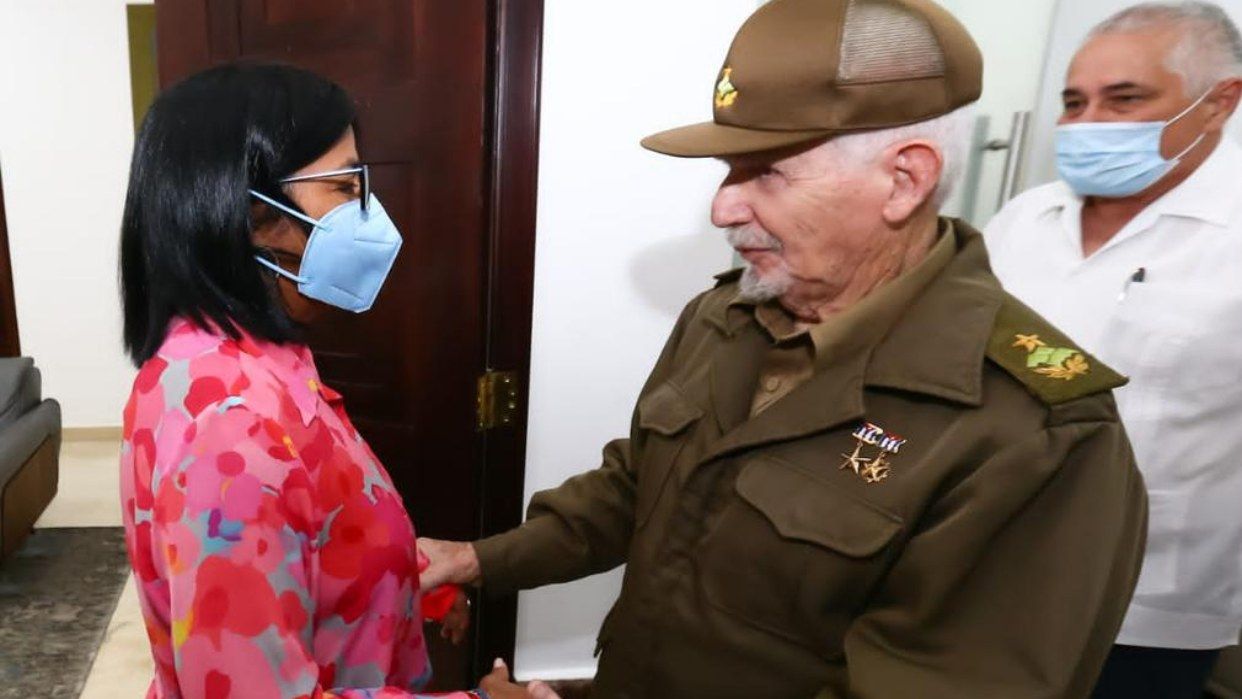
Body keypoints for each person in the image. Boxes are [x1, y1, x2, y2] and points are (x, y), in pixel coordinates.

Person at [419, 0, 1149, 696]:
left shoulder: (1035, 433)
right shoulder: (723, 317)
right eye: (728, 171)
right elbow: (634, 489)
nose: (722, 207)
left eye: (765, 171)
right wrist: (477, 560)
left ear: (904, 179)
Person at [118, 63, 556, 699]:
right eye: (345, 186)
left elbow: (310, 530)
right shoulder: (232, 426)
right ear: (251, 213)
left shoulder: (252, 358)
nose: (368, 212)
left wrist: (406, 583)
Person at [983, 3, 1242, 697]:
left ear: (1219, 102)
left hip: (1146, 600)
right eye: (1074, 102)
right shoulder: (1024, 219)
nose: (1087, 122)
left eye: (1124, 99)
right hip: (980, 565)